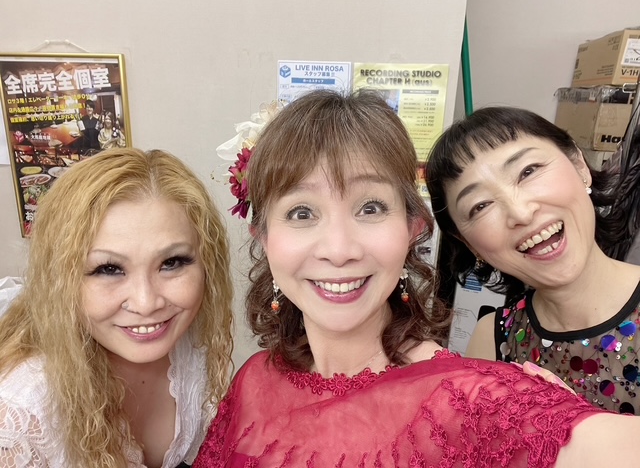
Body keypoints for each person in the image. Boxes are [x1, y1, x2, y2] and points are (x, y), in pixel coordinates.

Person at [193, 91, 640, 468]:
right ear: (263, 238)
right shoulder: (252, 380)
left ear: (412, 229)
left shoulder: (471, 400)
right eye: (301, 212)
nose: (339, 248)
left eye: (370, 207)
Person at [0, 148, 234, 467]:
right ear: (60, 281)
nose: (146, 302)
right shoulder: (22, 418)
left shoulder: (192, 345)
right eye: (108, 269)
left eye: (172, 262)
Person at [425, 106, 640, 415]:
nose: (521, 213)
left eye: (528, 172)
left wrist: (581, 424)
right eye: (480, 205)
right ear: (468, 244)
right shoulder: (492, 338)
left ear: (579, 165)